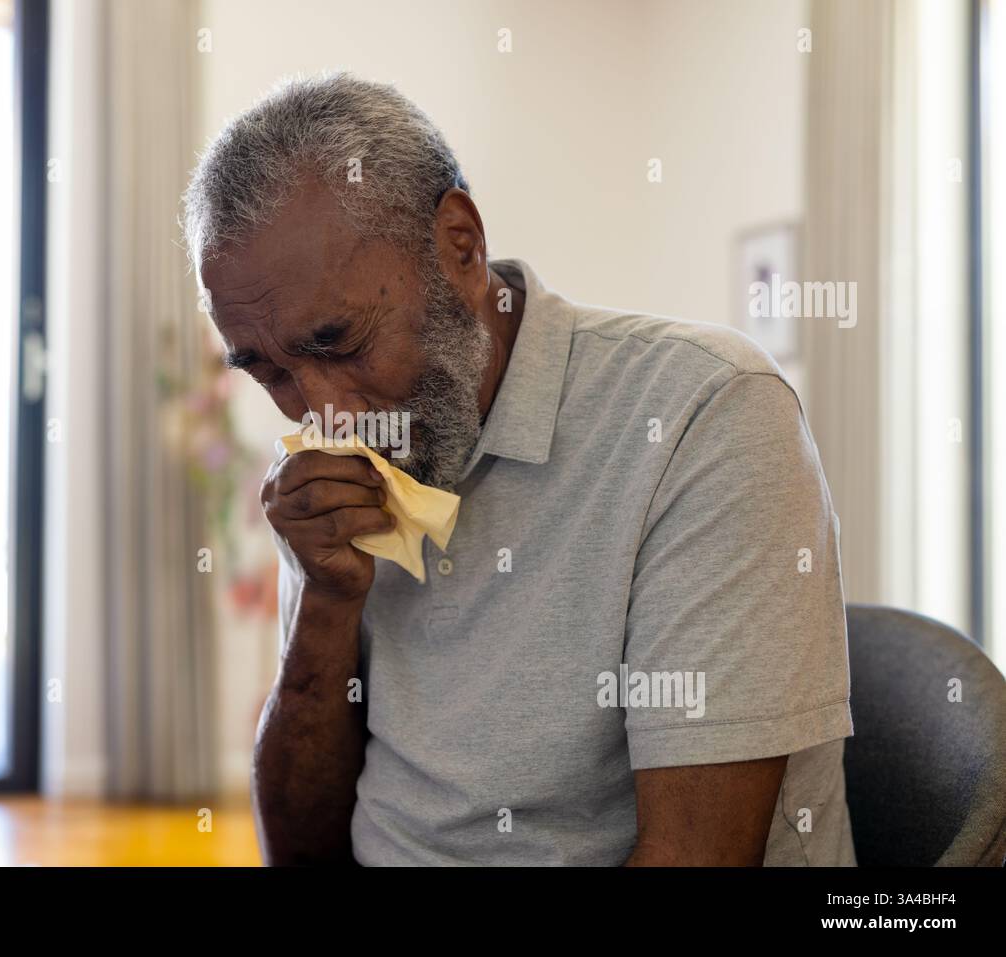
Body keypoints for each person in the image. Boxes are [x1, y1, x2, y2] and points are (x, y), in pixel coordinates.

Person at [180, 71, 855, 866]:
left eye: (340, 342)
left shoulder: (705, 413)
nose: (323, 414)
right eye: (268, 368)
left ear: (459, 246)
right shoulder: (340, 457)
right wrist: (326, 602)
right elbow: (299, 850)